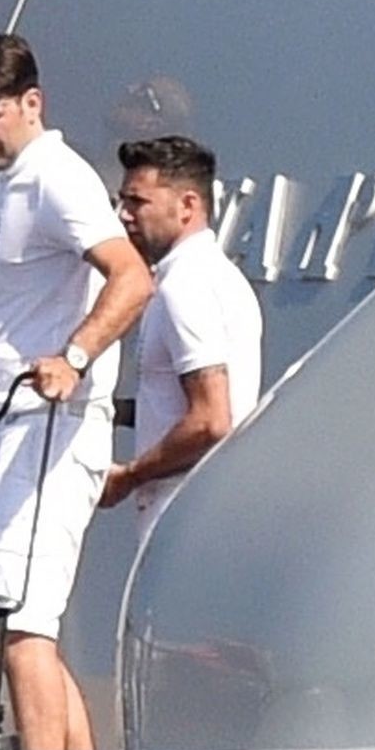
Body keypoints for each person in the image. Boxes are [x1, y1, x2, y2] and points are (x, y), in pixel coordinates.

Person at [0, 33, 152, 750]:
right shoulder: (14, 182)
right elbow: (34, 293)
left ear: (30, 103)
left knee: (18, 627)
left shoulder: (56, 177)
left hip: (52, 425)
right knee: (22, 625)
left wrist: (74, 357)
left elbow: (131, 277)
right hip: (17, 426)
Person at [100, 136, 262, 538]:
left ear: (187, 205)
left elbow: (211, 421)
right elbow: (177, 405)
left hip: (182, 512)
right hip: (208, 511)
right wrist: (103, 409)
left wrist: (129, 476)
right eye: (122, 202)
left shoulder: (185, 286)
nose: (123, 216)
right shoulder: (213, 276)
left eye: (137, 202)